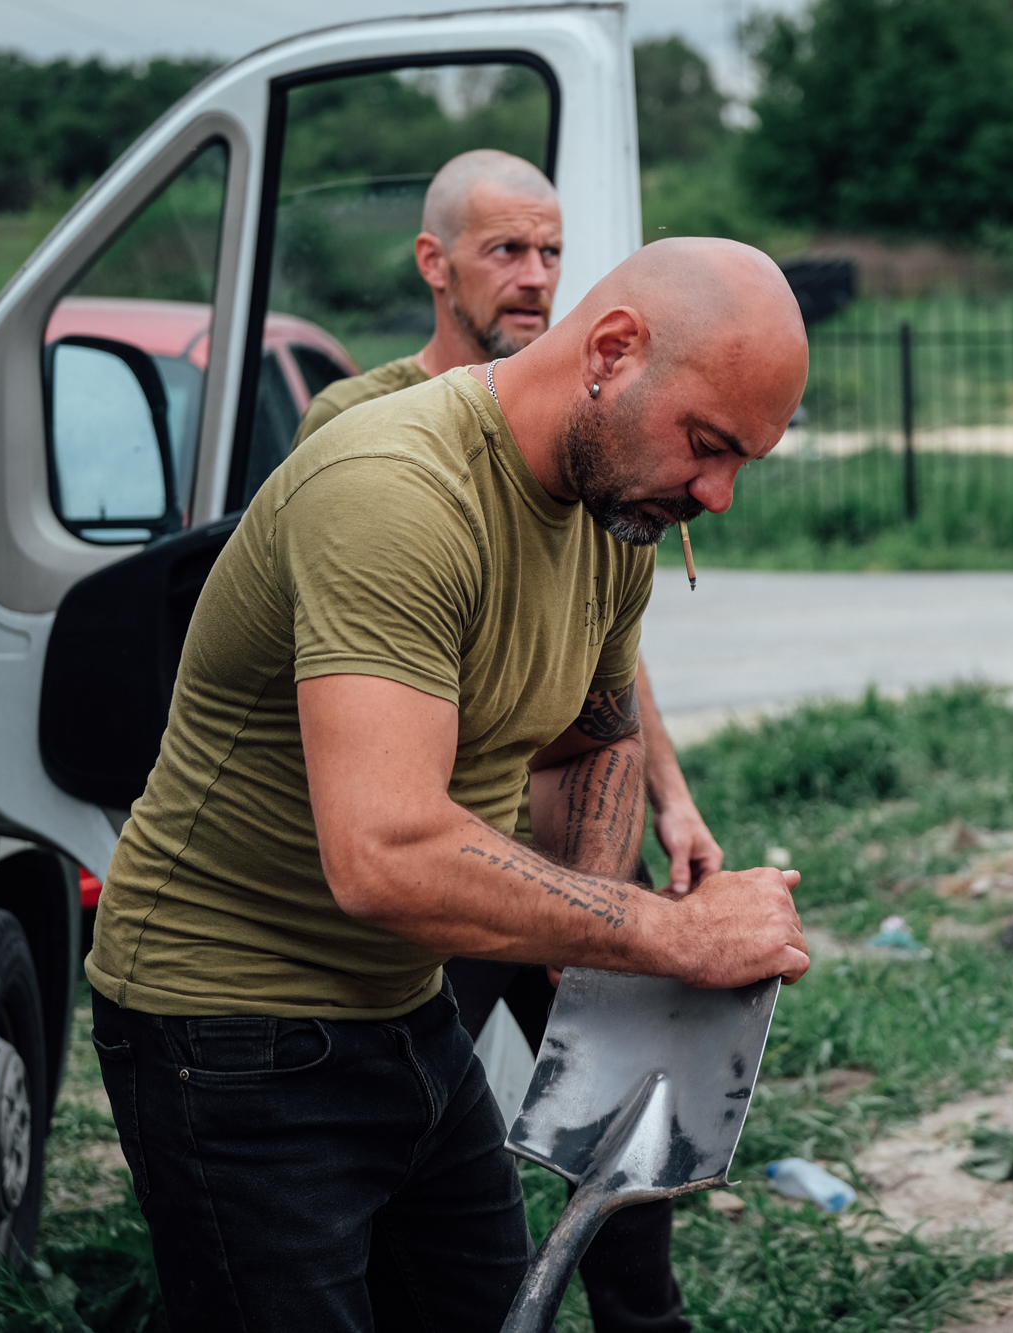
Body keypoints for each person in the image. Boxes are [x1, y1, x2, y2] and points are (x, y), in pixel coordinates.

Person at [84, 236, 811, 1332]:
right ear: (612, 350)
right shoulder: (395, 491)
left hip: (406, 1006)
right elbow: (383, 854)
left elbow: (590, 742)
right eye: (707, 445)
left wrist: (593, 956)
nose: (716, 492)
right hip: (226, 1029)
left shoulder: (615, 513)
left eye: (742, 460)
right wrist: (669, 936)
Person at [292, 148, 719, 1333]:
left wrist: (669, 796)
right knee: (408, 1117)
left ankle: (643, 1316)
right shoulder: (367, 428)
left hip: (561, 830)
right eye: (504, 251)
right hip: (435, 851)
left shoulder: (592, 435)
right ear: (434, 263)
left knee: (627, 1078)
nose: (534, 278)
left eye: (548, 252)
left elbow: (601, 650)